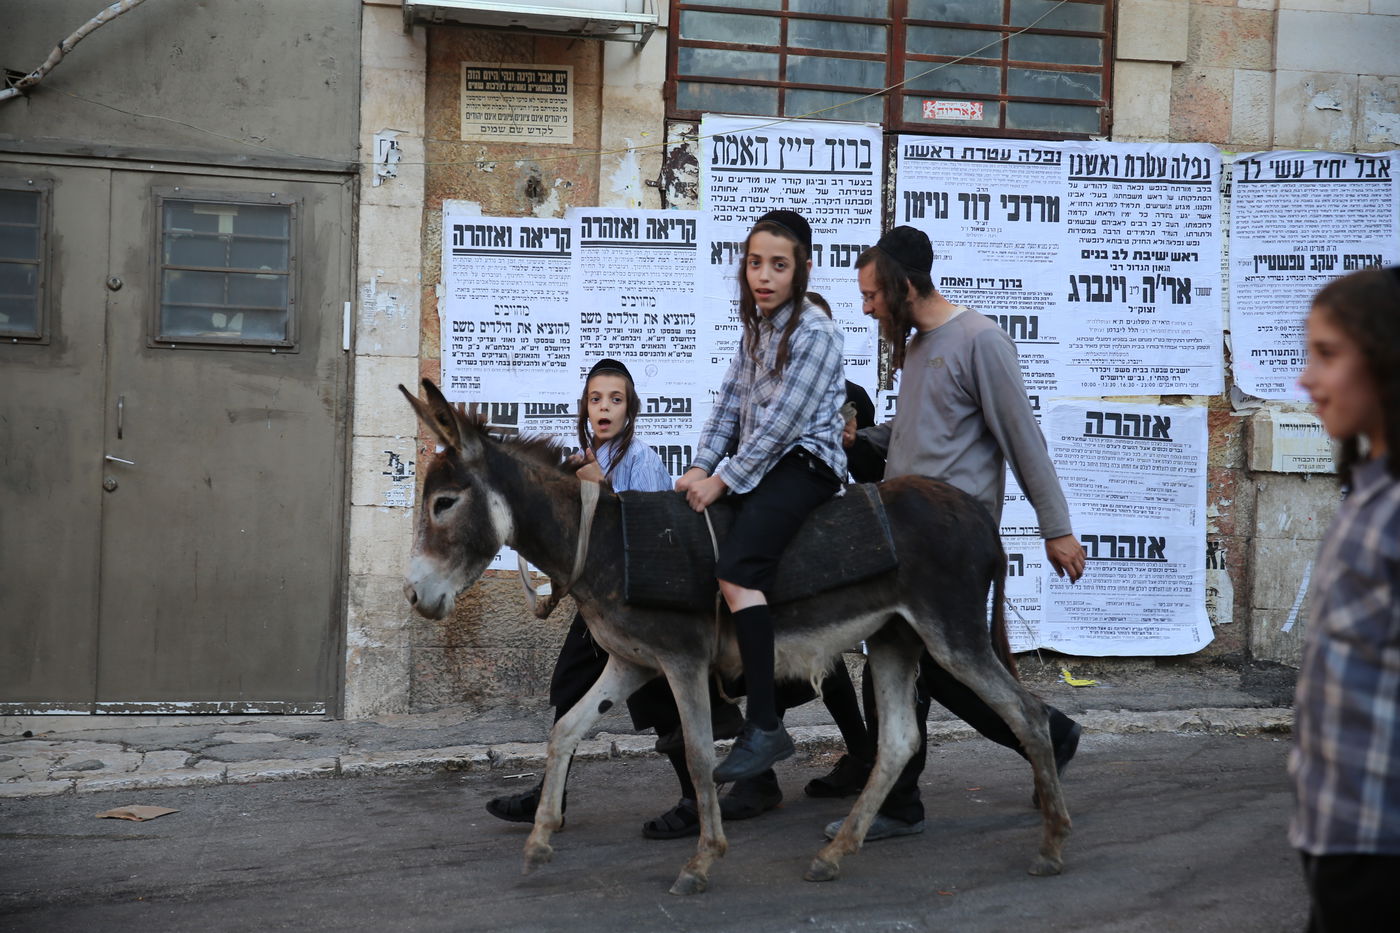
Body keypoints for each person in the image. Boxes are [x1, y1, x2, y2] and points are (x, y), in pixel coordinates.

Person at [826, 225, 1087, 841]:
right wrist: (861, 440)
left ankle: (1044, 734)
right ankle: (902, 800)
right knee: (896, 662)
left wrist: (1057, 530)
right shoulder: (917, 347)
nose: (866, 308)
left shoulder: (981, 340)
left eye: (871, 296)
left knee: (941, 667)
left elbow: (1023, 440)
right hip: (906, 538)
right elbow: (918, 433)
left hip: (952, 540)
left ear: (904, 285)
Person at [676, 209, 848, 787]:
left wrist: (722, 480)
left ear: (802, 270)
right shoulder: (756, 328)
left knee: (738, 572)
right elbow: (730, 405)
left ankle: (766, 724)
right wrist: (700, 465)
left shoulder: (816, 333)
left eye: (779, 265)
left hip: (804, 465)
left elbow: (781, 426)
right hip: (763, 468)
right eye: (755, 263)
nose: (764, 276)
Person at [485, 357, 691, 824]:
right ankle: (550, 796)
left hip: (641, 606)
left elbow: (656, 534)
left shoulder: (641, 460)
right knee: (569, 688)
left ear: (630, 409)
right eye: (596, 399)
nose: (604, 408)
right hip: (598, 606)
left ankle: (695, 800)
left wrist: (604, 488)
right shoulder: (577, 459)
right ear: (584, 408)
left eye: (615, 400)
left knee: (662, 704)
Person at [1291, 266, 1400, 932]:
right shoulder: (1367, 494)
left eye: (1327, 354)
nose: (1306, 377)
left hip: (1380, 850)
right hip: (1337, 837)